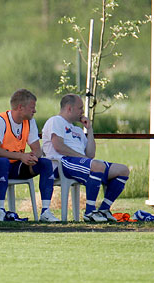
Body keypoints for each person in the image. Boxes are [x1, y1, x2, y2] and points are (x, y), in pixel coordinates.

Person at [42, 94, 129, 222]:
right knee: (97, 165)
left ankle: (104, 209)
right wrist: (84, 159)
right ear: (69, 108)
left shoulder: (77, 130)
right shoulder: (55, 121)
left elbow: (91, 154)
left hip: (79, 162)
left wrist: (90, 129)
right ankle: (89, 212)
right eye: (80, 108)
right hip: (62, 162)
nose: (82, 112)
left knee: (123, 170)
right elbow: (58, 146)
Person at [0, 89, 58, 222]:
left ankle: (45, 211)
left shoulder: (29, 122)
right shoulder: (0, 120)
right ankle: (0, 211)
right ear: (20, 107)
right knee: (2, 162)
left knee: (45, 163)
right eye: (32, 107)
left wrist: (34, 156)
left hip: (14, 165)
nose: (35, 111)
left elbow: (37, 149)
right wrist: (22, 157)